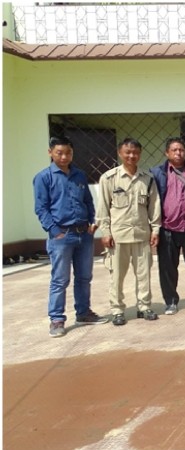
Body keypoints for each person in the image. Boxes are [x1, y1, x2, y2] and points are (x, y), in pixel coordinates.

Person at [34, 136, 107, 337]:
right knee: (60, 279)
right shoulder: (44, 177)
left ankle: (83, 313)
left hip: (84, 235)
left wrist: (93, 221)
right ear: (50, 153)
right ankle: (57, 319)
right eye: (59, 153)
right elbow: (41, 208)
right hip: (61, 236)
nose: (64, 156)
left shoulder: (80, 175)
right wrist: (55, 231)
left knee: (84, 277)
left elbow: (88, 201)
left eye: (68, 153)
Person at [96, 138, 161, 326]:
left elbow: (154, 207)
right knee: (116, 275)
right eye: (128, 152)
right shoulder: (109, 178)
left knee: (144, 274)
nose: (132, 156)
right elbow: (103, 209)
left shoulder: (147, 179)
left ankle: (144, 306)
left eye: (135, 152)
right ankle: (117, 310)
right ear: (120, 153)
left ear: (140, 154)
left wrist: (155, 229)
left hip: (142, 234)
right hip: (118, 237)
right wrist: (105, 231)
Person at [150, 137, 185, 316]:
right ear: (167, 153)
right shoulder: (157, 173)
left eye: (181, 150)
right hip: (167, 228)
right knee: (167, 268)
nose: (178, 153)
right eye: (174, 150)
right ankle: (170, 301)